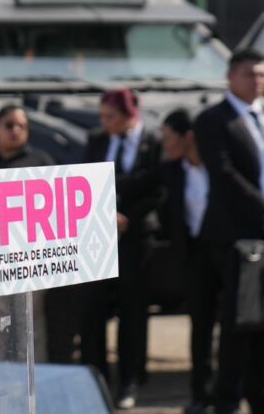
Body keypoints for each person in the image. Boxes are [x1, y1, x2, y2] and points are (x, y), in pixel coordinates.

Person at [195, 48, 264, 414]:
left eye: (262, 74)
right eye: (249, 74)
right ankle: (226, 400)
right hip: (236, 236)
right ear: (230, 76)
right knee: (240, 321)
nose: (258, 81)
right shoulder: (213, 120)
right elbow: (224, 176)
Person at [0, 105, 71, 365]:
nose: (15, 131)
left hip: (30, 262)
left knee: (30, 329)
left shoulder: (41, 163)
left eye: (21, 126)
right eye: (9, 125)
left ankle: (36, 386)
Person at [80, 87, 164, 410]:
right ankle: (95, 377)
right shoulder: (97, 140)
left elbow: (159, 187)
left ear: (130, 115)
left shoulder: (151, 142)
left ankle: (130, 378)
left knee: (133, 310)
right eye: (101, 117)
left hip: (136, 236)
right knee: (92, 309)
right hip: (99, 236)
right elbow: (86, 180)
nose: (105, 123)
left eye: (110, 117)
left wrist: (129, 215)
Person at [158, 109, 216, 414]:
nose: (164, 144)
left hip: (226, 254)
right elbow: (143, 189)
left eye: (169, 138)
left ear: (188, 138)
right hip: (195, 258)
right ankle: (201, 395)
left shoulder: (220, 166)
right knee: (201, 328)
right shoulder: (172, 170)